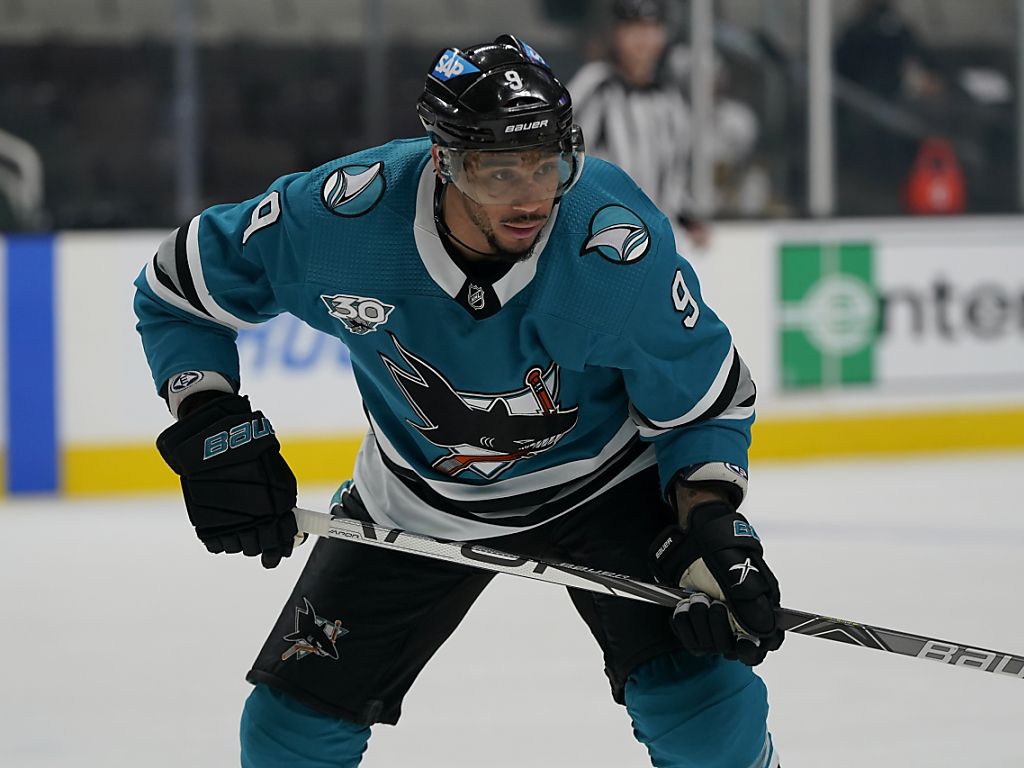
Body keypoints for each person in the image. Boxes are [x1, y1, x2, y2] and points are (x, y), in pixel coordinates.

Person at [135, 34, 783, 768]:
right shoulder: (339, 220)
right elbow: (174, 292)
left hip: (609, 485)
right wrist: (211, 421)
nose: (531, 197)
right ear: (443, 159)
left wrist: (710, 524)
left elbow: (706, 403)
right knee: (290, 734)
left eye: (547, 163)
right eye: (497, 169)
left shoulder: (612, 245)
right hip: (418, 495)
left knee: (706, 718)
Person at [568, 0, 709, 247]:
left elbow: (674, 176)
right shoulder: (595, 87)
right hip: (602, 236)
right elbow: (568, 161)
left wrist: (688, 216)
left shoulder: (669, 100)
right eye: (634, 29)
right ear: (616, 34)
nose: (644, 40)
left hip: (658, 241)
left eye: (652, 29)